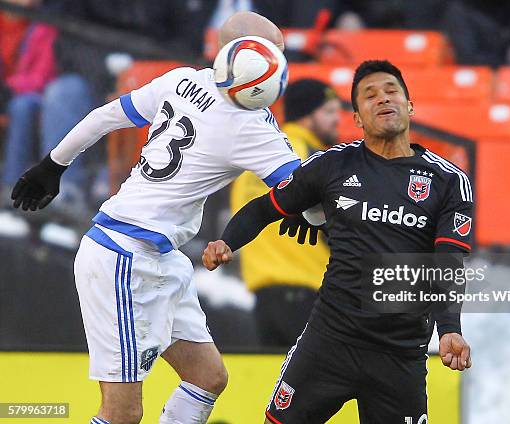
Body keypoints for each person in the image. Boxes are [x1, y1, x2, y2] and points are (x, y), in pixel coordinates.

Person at [10, 11, 305, 424]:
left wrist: (52, 165)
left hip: (160, 255)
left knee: (208, 376)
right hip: (124, 256)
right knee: (123, 413)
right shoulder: (249, 124)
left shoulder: (183, 79)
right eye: (274, 51)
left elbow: (104, 117)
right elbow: (307, 193)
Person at [204, 60, 473, 423]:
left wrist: (450, 329)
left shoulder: (448, 181)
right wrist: (227, 242)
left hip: (400, 353)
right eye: (370, 95)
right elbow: (264, 209)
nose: (383, 99)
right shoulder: (331, 166)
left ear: (409, 106)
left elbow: (448, 261)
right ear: (358, 119)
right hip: (328, 341)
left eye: (392, 91)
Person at [230, 78, 341, 347]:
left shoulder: (256, 158)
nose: (337, 119)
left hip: (264, 299)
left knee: (282, 386)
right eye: (328, 112)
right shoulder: (315, 160)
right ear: (306, 116)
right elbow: (339, 226)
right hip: (311, 295)